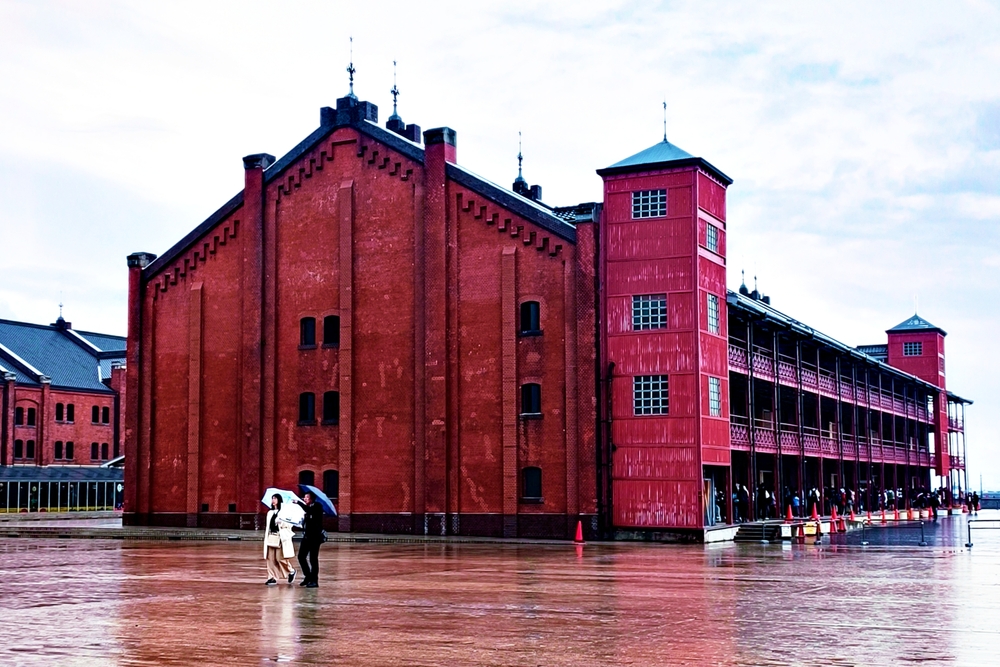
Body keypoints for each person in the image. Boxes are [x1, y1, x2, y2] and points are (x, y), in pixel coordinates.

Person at [263, 494, 296, 585]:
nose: (273, 500)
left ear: (279, 500)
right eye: (272, 498)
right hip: (271, 537)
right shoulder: (270, 513)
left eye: (275, 498)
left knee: (280, 558)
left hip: (280, 538)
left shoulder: (284, 512)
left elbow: (290, 525)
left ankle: (291, 571)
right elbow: (268, 526)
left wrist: (281, 522)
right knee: (270, 559)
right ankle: (272, 577)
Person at [296, 492, 325, 588]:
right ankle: (308, 576)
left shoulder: (317, 506)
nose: (304, 499)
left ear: (311, 499)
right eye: (304, 497)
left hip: (315, 538)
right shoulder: (307, 509)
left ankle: (314, 580)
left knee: (313, 559)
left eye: (306, 497)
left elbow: (310, 511)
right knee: (301, 556)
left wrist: (298, 503)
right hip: (307, 537)